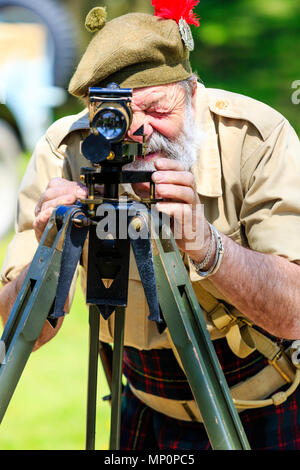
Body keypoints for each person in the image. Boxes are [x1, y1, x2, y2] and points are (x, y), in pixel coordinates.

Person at [1, 4, 300, 450]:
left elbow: (294, 311)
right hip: (144, 409)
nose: (137, 132)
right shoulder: (66, 150)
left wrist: (208, 246)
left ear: (193, 93)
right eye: (114, 115)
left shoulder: (255, 137)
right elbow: (17, 334)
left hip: (259, 410)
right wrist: (50, 255)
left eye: (157, 109)